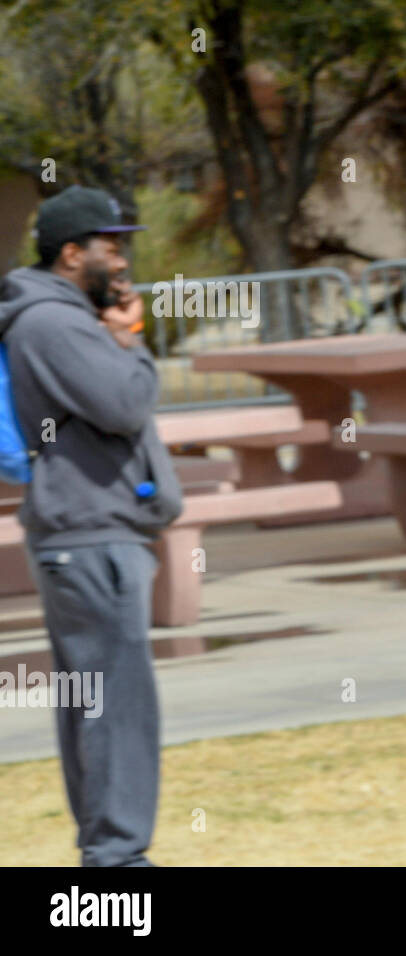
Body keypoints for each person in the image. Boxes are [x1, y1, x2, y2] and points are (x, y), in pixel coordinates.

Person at [0, 185, 182, 866]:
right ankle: (117, 861)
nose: (124, 260)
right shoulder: (54, 323)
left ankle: (106, 852)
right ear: (72, 254)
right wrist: (130, 339)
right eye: (112, 247)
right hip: (90, 536)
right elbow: (125, 403)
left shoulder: (51, 316)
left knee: (94, 701)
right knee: (116, 706)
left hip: (83, 535)